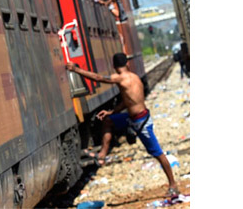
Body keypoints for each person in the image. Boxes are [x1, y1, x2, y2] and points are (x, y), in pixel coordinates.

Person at [65, 54, 178, 198]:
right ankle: (103, 154)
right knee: (108, 120)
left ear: (114, 66)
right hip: (133, 118)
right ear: (127, 63)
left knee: (157, 153)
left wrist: (76, 70)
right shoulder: (135, 78)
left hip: (141, 122)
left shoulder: (121, 78)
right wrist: (111, 111)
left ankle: (173, 185)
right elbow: (128, 101)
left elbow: (99, 78)